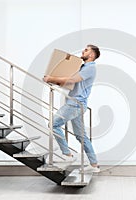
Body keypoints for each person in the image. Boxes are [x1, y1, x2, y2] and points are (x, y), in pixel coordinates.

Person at [43, 44, 100, 173]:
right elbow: (70, 82)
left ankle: (67, 155)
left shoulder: (90, 68)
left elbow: (73, 79)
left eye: (86, 50)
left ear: (91, 55)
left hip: (75, 104)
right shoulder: (82, 67)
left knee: (53, 124)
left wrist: (51, 78)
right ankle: (94, 164)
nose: (83, 51)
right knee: (81, 136)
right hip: (77, 104)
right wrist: (55, 81)